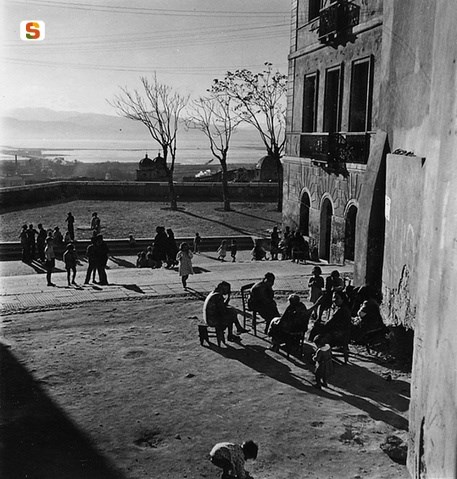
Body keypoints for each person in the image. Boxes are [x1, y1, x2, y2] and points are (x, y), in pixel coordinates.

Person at [309, 290, 352, 363]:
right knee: (316, 329)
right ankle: (320, 352)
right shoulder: (340, 308)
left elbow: (329, 324)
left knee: (318, 338)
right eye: (333, 298)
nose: (334, 300)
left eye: (337, 298)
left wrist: (319, 325)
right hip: (338, 331)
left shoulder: (342, 310)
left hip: (340, 335)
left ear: (342, 299)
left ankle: (322, 355)